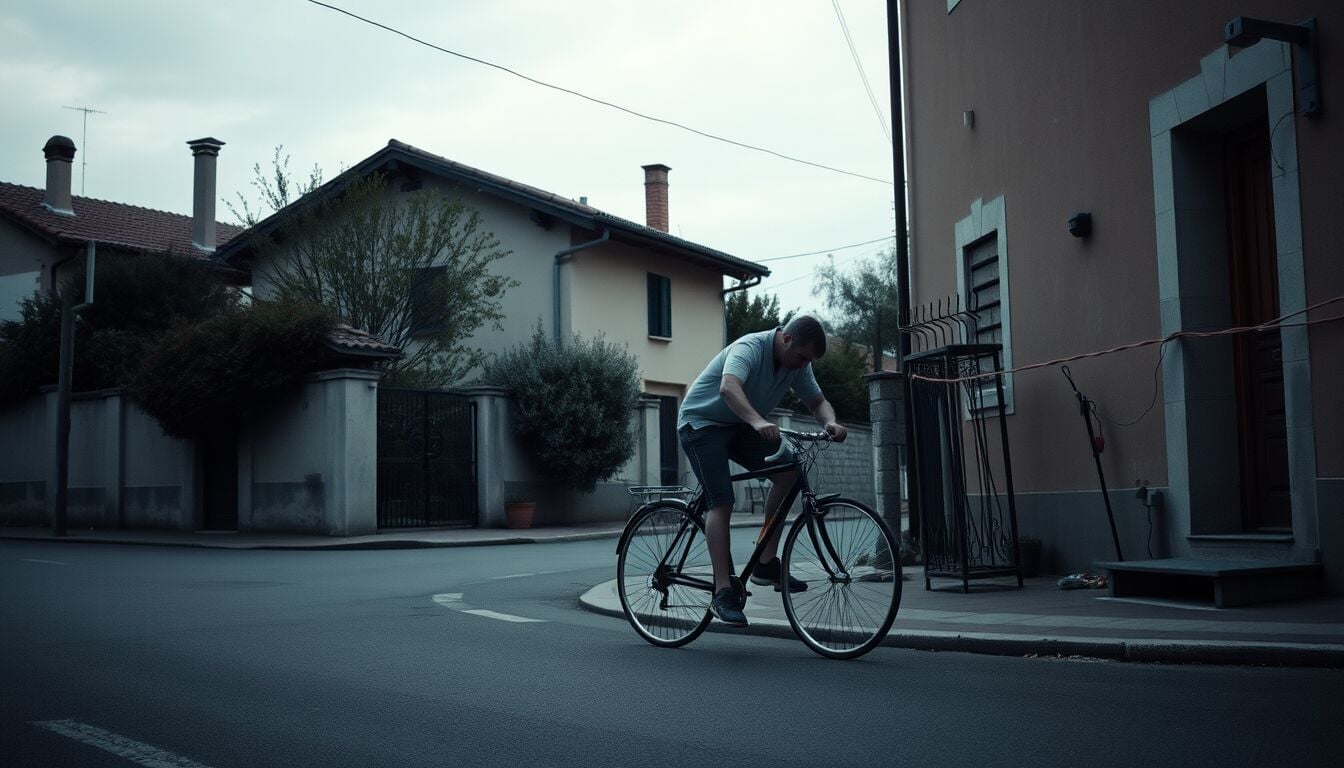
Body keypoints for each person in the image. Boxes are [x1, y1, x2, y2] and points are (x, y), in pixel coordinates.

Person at [677, 315, 848, 626]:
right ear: (786, 339)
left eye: (808, 361)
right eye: (801, 357)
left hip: (736, 425)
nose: (802, 365)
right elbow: (729, 388)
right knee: (722, 501)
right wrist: (757, 421)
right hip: (700, 425)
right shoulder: (749, 348)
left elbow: (817, 401)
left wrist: (830, 422)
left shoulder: (797, 363)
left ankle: (765, 563)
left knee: (789, 474)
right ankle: (723, 591)